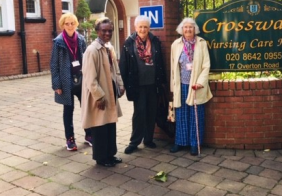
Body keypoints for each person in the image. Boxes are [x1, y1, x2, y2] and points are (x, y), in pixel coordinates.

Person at [119, 15, 166, 154]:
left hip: (153, 83)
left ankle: (148, 139)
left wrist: (162, 82)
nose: (143, 29)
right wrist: (123, 84)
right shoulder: (129, 43)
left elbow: (161, 62)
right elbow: (124, 65)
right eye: (140, 26)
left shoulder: (155, 41)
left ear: (149, 28)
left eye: (145, 26)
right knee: (139, 113)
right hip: (137, 84)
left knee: (151, 112)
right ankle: (134, 142)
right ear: (136, 27)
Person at [81, 17, 125, 167]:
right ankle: (101, 158)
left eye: (110, 31)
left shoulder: (109, 48)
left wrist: (120, 84)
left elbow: (115, 69)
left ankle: (110, 154)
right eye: (104, 30)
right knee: (99, 126)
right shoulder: (92, 50)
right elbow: (89, 77)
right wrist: (99, 96)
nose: (107, 33)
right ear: (97, 31)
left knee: (110, 124)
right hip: (99, 94)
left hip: (110, 90)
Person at [169, 17, 213, 156]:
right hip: (181, 84)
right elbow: (172, 67)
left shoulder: (201, 43)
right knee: (181, 114)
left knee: (196, 115)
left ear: (195, 29)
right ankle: (180, 142)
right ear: (181, 29)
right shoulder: (175, 44)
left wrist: (200, 82)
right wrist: (173, 86)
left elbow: (206, 65)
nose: (188, 29)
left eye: (191, 27)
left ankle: (194, 143)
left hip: (196, 85)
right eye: (185, 27)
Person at [50, 12, 92, 151]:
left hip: (81, 79)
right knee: (68, 111)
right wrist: (57, 85)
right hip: (65, 81)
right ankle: (70, 139)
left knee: (86, 108)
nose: (70, 26)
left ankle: (89, 135)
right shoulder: (58, 42)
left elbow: (87, 59)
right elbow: (54, 65)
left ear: (76, 24)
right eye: (67, 23)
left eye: (72, 23)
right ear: (62, 25)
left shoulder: (81, 39)